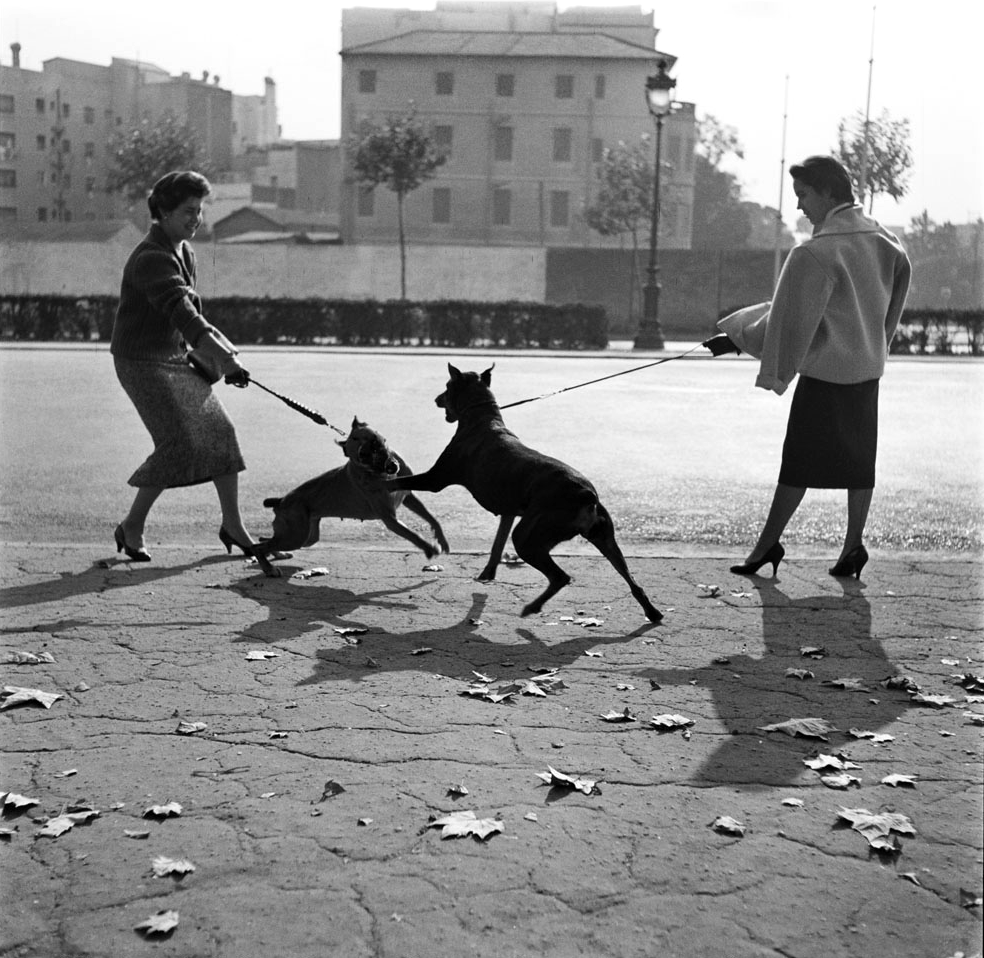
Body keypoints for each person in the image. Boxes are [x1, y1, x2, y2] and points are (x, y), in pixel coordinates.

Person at [703, 154, 911, 580]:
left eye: (803, 195)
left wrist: (737, 338)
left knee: (797, 463)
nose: (799, 206)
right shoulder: (886, 241)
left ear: (827, 192)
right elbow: (894, 295)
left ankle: (766, 545)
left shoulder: (815, 252)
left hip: (827, 374)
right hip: (866, 370)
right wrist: (877, 343)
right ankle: (853, 546)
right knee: (859, 463)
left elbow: (788, 320)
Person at [111, 170, 265, 563]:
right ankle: (132, 526)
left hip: (174, 357)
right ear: (162, 212)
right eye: (187, 211)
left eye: (199, 211)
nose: (196, 219)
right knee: (178, 443)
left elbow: (196, 318)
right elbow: (185, 315)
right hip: (141, 361)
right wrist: (225, 359)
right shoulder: (151, 258)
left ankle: (233, 525)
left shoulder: (185, 252)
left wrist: (228, 356)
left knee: (220, 432)